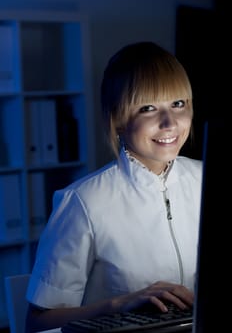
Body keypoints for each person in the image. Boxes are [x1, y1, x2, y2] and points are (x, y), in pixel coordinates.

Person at [25, 41, 202, 332]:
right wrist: (118, 305)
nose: (170, 123)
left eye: (178, 104)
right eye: (148, 108)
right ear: (118, 120)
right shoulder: (82, 202)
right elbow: (37, 323)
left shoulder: (207, 181)